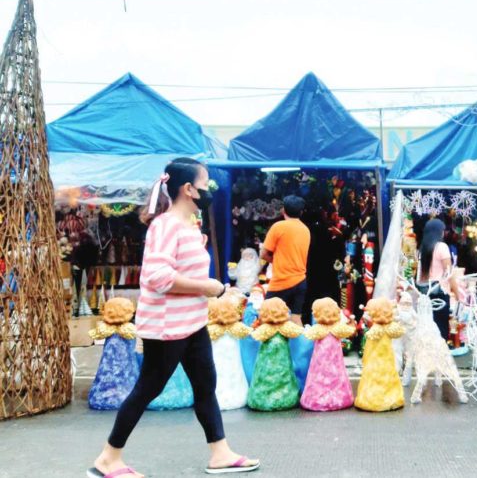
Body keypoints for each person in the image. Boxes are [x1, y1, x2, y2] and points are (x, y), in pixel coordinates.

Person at [88, 158, 259, 478]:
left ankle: (220, 453)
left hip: (191, 323)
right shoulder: (165, 226)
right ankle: (108, 459)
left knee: (206, 385)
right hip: (167, 327)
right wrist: (208, 287)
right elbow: (157, 277)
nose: (210, 190)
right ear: (188, 189)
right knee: (147, 389)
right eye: (206, 184)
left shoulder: (188, 226)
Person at [260, 195, 310, 326]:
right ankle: (299, 346)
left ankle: (270, 346)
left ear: (283, 210)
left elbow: (263, 254)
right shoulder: (305, 230)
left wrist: (275, 261)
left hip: (281, 281)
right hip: (300, 281)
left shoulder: (278, 227)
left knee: (266, 317)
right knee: (295, 318)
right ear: (301, 212)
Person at [416, 219, 458, 340]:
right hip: (440, 293)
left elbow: (421, 275)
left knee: (428, 328)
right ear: (439, 232)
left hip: (425, 294)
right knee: (441, 330)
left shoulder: (422, 249)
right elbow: (449, 273)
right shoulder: (442, 247)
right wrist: (457, 293)